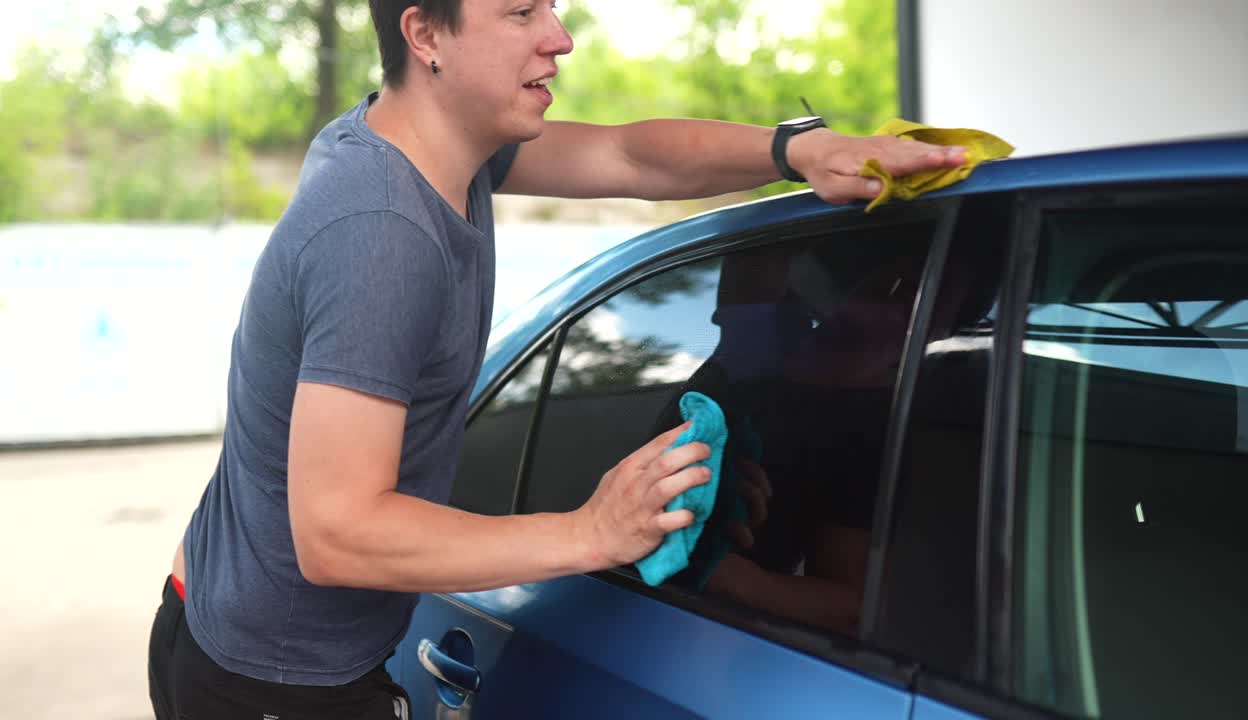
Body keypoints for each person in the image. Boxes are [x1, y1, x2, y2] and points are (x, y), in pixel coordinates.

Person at [147, 1, 971, 717]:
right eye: (520, 13)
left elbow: (629, 156)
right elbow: (336, 533)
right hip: (269, 685)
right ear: (424, 32)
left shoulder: (437, 144)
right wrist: (590, 532)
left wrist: (797, 149)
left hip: (236, 623)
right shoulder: (382, 234)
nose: (561, 37)